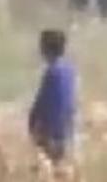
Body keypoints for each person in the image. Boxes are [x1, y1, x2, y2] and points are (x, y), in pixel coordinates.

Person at [29, 29, 78, 164]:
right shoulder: (70, 70)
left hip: (52, 132)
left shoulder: (51, 72)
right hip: (67, 130)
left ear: (45, 48)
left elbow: (42, 103)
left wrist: (33, 124)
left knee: (48, 166)